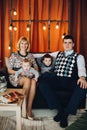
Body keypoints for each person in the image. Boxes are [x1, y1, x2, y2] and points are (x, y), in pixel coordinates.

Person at [39, 35, 87, 128]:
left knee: (82, 87)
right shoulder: (58, 53)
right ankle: (60, 109)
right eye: (65, 42)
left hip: (70, 80)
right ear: (63, 44)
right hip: (57, 79)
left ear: (73, 44)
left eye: (69, 43)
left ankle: (66, 113)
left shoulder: (79, 56)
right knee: (42, 84)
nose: (67, 45)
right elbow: (42, 55)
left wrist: (82, 77)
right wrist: (29, 55)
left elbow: (81, 68)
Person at [7, 36, 39, 120]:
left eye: (25, 43)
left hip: (28, 75)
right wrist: (19, 72)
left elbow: (36, 67)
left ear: (28, 45)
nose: (24, 45)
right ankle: (23, 108)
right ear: (19, 44)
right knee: (28, 80)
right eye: (22, 43)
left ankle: (28, 109)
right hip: (16, 76)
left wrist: (33, 72)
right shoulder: (14, 55)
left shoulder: (31, 56)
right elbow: (9, 70)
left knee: (33, 82)